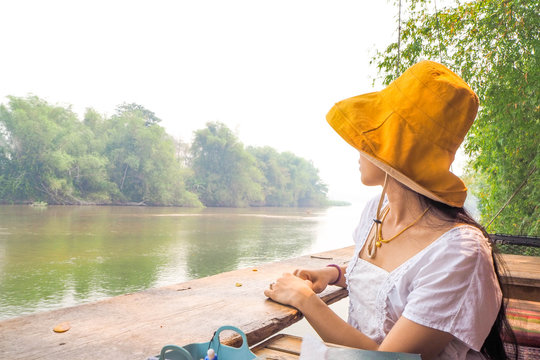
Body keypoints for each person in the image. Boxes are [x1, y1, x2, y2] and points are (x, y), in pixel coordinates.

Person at [264, 61, 517, 360]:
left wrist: (304, 298)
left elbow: (389, 359)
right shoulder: (377, 211)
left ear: (397, 150)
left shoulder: (461, 253)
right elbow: (393, 285)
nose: (358, 149)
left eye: (370, 139)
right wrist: (332, 274)